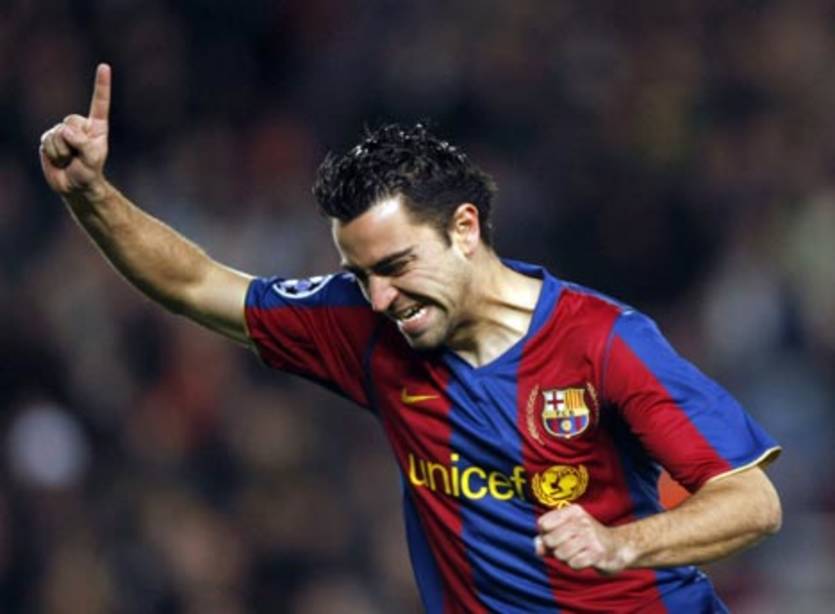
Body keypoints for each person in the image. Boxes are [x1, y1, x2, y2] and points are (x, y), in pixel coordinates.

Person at [40, 64, 782, 613]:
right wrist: (93, 196)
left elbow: (751, 502)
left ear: (465, 228)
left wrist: (622, 544)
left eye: (395, 266)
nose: (380, 298)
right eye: (359, 274)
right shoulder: (365, 323)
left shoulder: (606, 342)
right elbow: (196, 285)